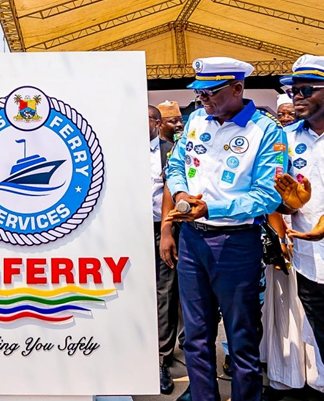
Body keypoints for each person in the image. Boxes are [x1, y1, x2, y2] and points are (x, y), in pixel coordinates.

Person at [166, 56, 287, 401]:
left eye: (211, 92)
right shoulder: (195, 120)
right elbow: (176, 166)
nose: (202, 99)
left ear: (237, 88)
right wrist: (181, 194)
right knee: (196, 336)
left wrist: (212, 208)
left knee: (241, 337)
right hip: (192, 239)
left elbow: (268, 195)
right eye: (199, 93)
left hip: (236, 242)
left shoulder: (266, 130)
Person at [275, 54, 324, 400]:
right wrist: (290, 205)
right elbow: (281, 202)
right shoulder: (284, 139)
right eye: (293, 90)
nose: (296, 96)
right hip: (310, 265)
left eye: (306, 89)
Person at [148, 105, 179, 395]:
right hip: (128, 229)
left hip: (162, 229)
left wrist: (167, 231)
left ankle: (161, 358)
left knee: (165, 292)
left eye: (144, 118)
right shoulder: (119, 151)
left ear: (157, 123)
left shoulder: (170, 152)